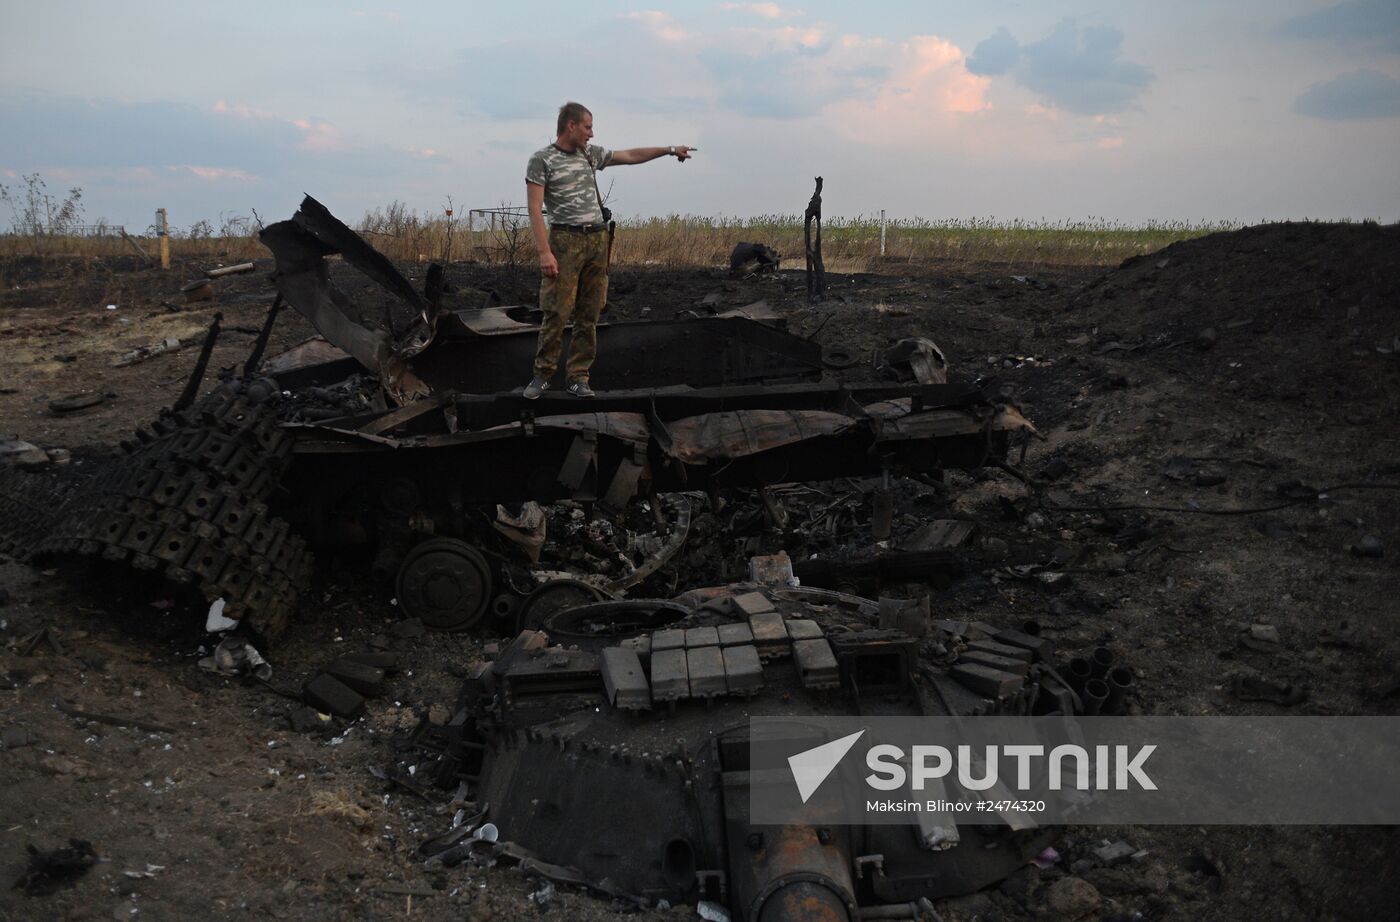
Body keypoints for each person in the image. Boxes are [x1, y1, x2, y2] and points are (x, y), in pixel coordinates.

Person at [523, 102, 692, 398]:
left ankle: (578, 377)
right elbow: (535, 209)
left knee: (589, 313)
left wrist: (669, 149)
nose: (592, 133)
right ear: (571, 125)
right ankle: (543, 375)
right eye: (588, 127)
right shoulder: (542, 160)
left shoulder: (590, 154)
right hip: (564, 241)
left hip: (597, 241)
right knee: (557, 312)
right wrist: (544, 252)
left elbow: (629, 156)